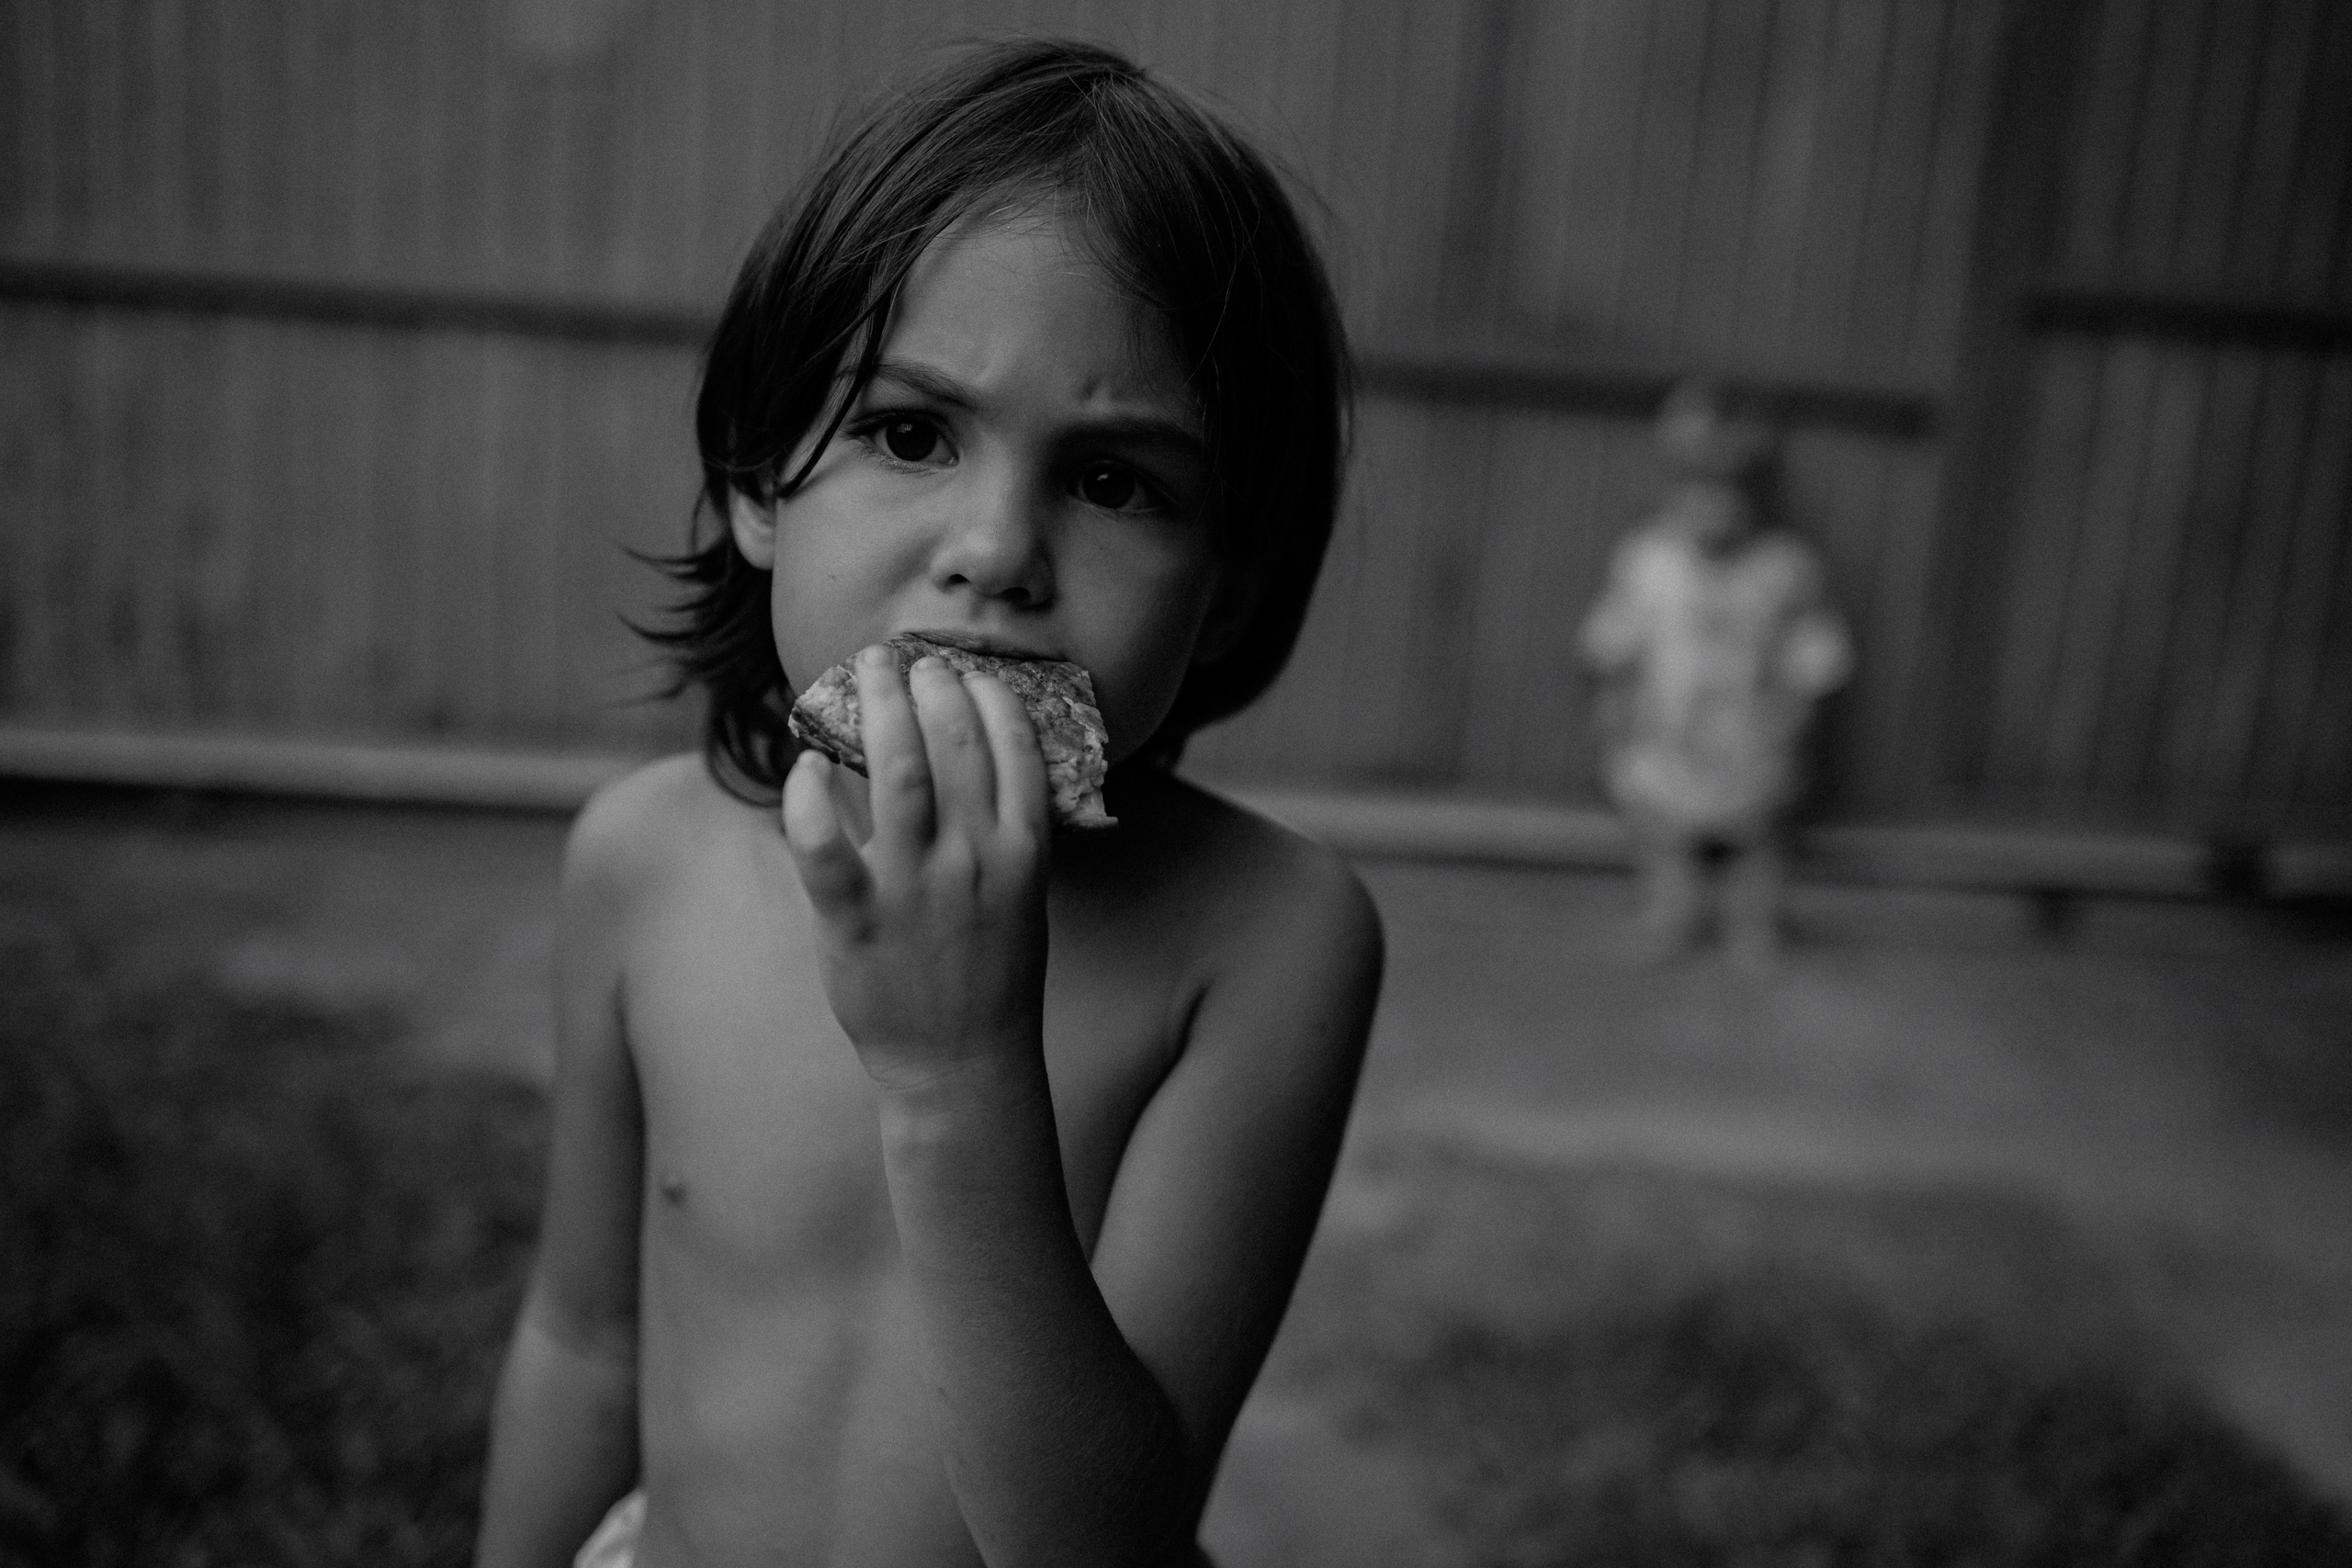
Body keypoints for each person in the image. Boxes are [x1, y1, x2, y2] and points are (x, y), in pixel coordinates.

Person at [472, 39, 1382, 1568]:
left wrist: (958, 1071)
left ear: (1226, 588)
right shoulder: (641, 865)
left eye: (1114, 482)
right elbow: (581, 1337)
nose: (996, 548)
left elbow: (1106, 1543)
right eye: (911, 433)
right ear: (763, 480)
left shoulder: (1269, 942)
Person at [1577, 380, 1852, 973]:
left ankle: (1754, 920)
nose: (1712, 508)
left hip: (1752, 735)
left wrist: (1799, 712)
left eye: (1730, 493)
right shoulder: (1647, 560)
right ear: (1667, 489)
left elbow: (1811, 652)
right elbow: (1616, 643)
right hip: (1666, 735)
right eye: (1694, 490)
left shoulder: (1785, 567)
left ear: (1760, 495)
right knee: (1659, 831)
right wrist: (1613, 707)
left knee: (1761, 837)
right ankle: (1667, 911)